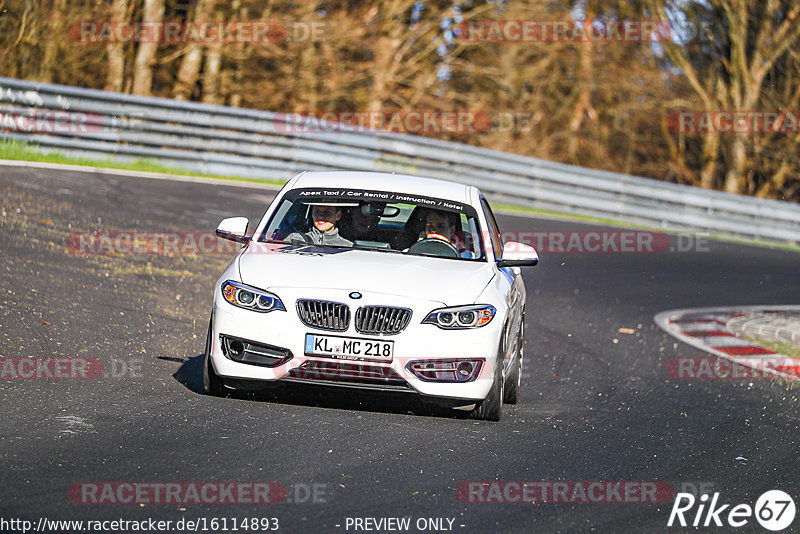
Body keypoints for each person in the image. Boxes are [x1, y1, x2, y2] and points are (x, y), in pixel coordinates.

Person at [286, 204, 353, 246]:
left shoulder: (349, 247)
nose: (321, 216)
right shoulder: (294, 239)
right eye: (317, 211)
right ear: (312, 213)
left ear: (338, 215)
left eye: (327, 212)